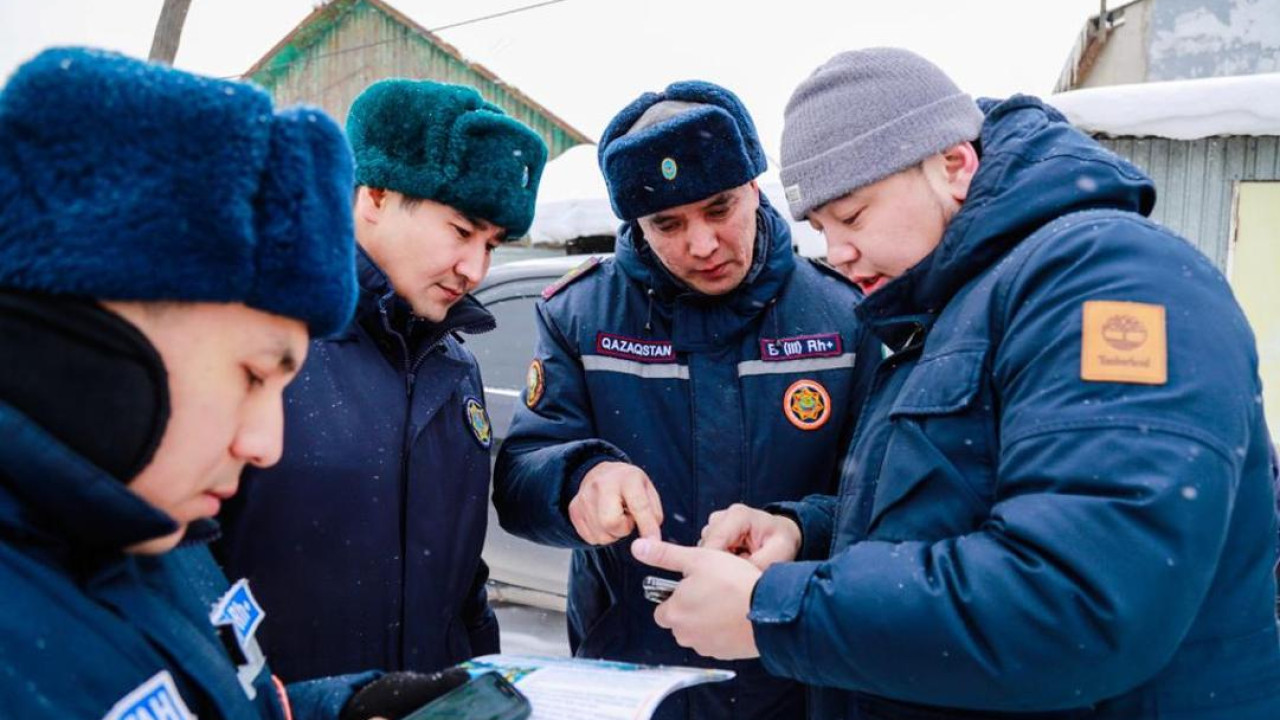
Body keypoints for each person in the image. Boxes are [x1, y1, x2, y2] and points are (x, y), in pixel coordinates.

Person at [630, 48, 1280, 719]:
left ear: (953, 166)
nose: (838, 251)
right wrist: (804, 534)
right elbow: (958, 503)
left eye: (852, 215)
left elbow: (1079, 601)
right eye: (822, 229)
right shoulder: (949, 312)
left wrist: (776, 613)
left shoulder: (1107, 282)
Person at [0, 47, 477, 720]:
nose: (267, 444)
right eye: (252, 375)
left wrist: (346, 708)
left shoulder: (155, 530)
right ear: (91, 349)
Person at [493, 80, 876, 719]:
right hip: (632, 675)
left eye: (720, 208)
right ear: (635, 225)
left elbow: (884, 500)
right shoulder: (580, 315)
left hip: (794, 679)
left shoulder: (844, 316)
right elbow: (522, 476)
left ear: (755, 187)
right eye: (667, 224)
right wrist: (578, 482)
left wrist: (798, 527)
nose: (701, 245)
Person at [215, 77, 548, 681]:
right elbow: (184, 578)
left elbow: (461, 580)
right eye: (461, 231)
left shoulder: (454, 364)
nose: (476, 268)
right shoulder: (263, 340)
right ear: (374, 196)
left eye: (493, 244)